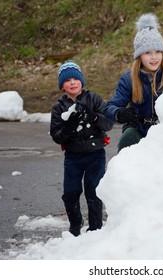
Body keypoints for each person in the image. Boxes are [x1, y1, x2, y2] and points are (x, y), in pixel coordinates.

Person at [105, 13, 163, 152]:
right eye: (148, 53)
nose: (154, 57)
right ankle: (126, 170)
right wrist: (120, 113)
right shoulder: (128, 79)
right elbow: (110, 107)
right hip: (139, 129)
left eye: (158, 51)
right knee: (127, 138)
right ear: (139, 56)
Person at [50, 60, 114, 236]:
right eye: (67, 80)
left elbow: (108, 123)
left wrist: (95, 118)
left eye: (75, 79)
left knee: (93, 190)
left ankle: (95, 228)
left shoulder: (94, 99)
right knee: (70, 193)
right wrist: (69, 126)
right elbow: (56, 136)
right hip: (73, 157)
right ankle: (75, 224)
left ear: (81, 82)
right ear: (62, 86)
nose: (72, 82)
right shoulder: (59, 107)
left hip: (96, 154)